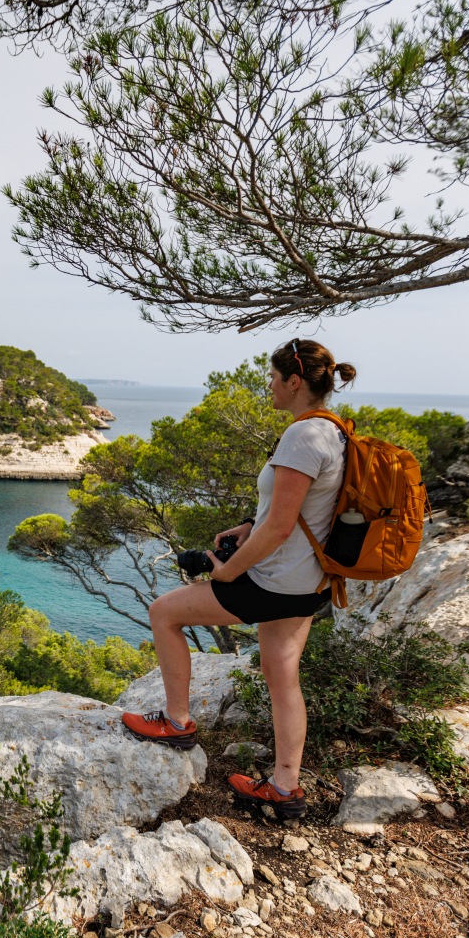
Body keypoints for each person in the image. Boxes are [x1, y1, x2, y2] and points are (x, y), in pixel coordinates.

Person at [121, 338, 357, 821]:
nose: (268, 384)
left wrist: (229, 569)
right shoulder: (334, 432)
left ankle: (176, 722)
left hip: (274, 581)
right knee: (281, 676)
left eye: (273, 377)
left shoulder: (303, 436)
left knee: (164, 613)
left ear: (295, 381)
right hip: (307, 582)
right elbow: (294, 510)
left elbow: (281, 526)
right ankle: (285, 787)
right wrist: (250, 525)